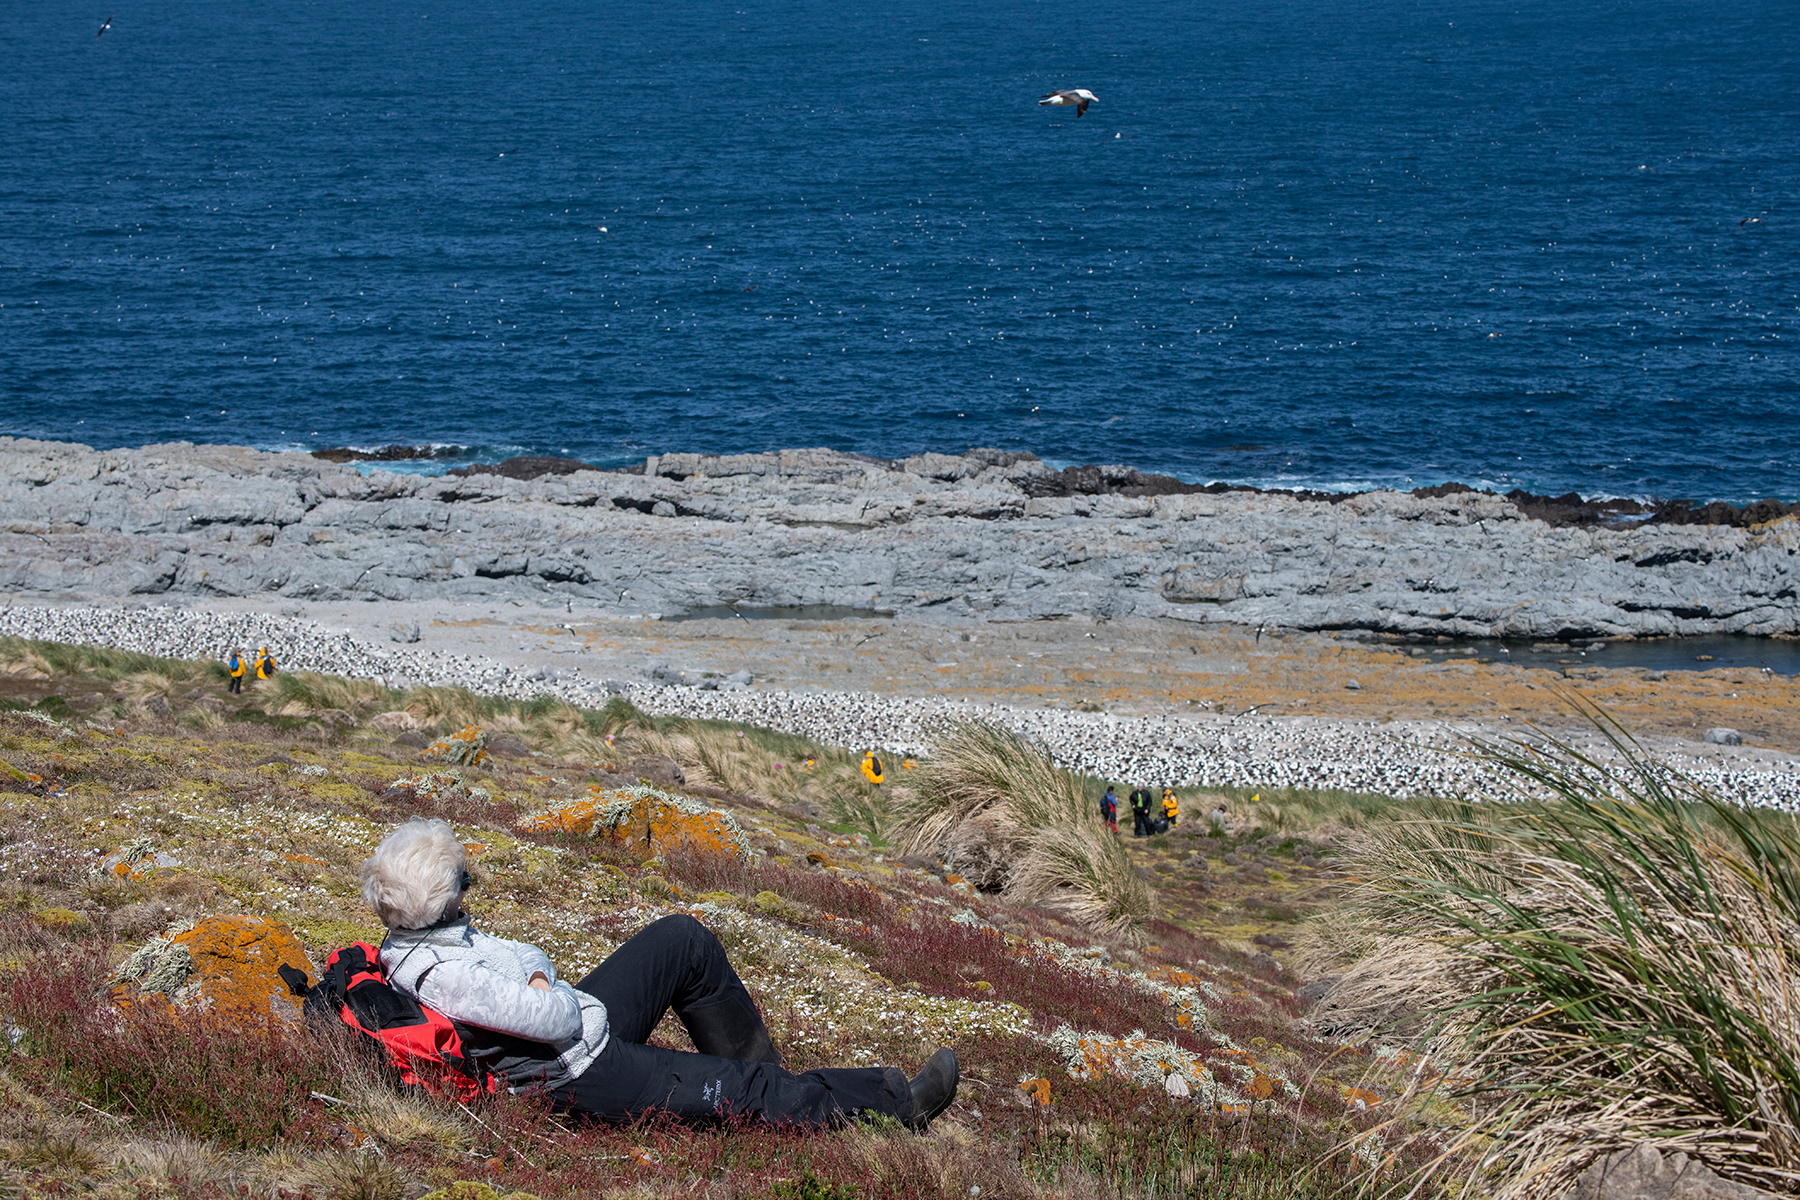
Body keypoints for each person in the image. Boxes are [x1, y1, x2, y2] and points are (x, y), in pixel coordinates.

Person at [359, 818, 958, 1130]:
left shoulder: (427, 935)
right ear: (441, 897)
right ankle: (896, 1106)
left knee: (682, 939)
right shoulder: (443, 974)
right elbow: (550, 1014)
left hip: (575, 1037)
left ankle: (774, 1085)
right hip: (575, 1074)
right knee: (743, 1096)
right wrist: (542, 985)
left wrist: (538, 977)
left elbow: (528, 956)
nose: (471, 888)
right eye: (463, 880)